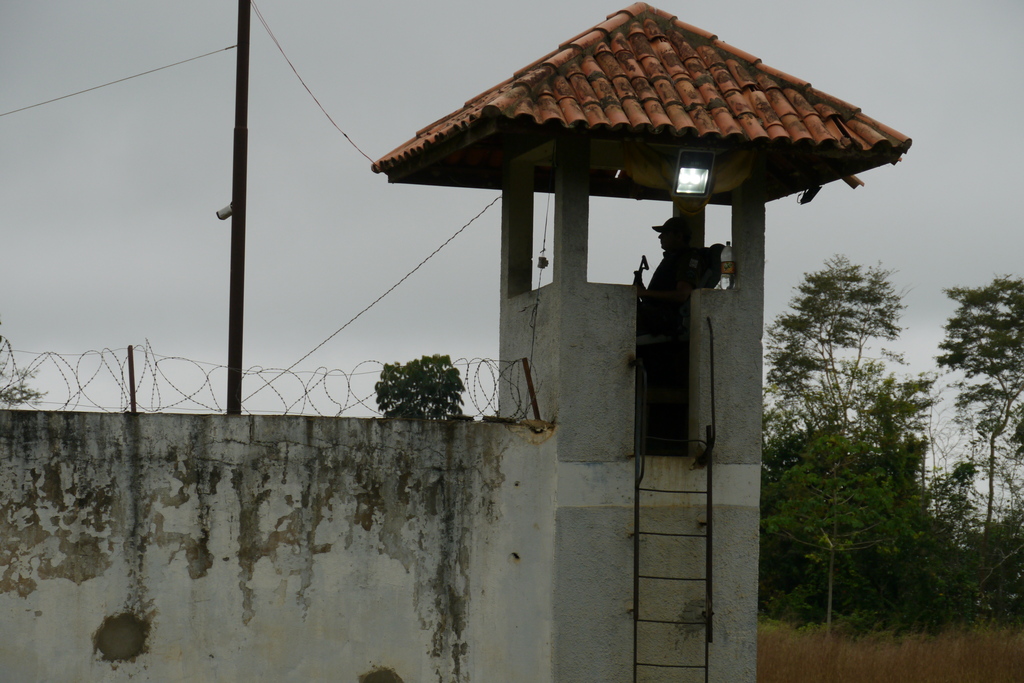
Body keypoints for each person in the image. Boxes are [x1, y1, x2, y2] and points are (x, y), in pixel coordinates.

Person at [635, 216, 702, 338]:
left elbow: (682, 295)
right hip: (655, 315)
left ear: (679, 236)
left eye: (665, 233)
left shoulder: (688, 258)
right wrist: (643, 291)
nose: (660, 237)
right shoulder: (672, 257)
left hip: (665, 320)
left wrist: (645, 293)